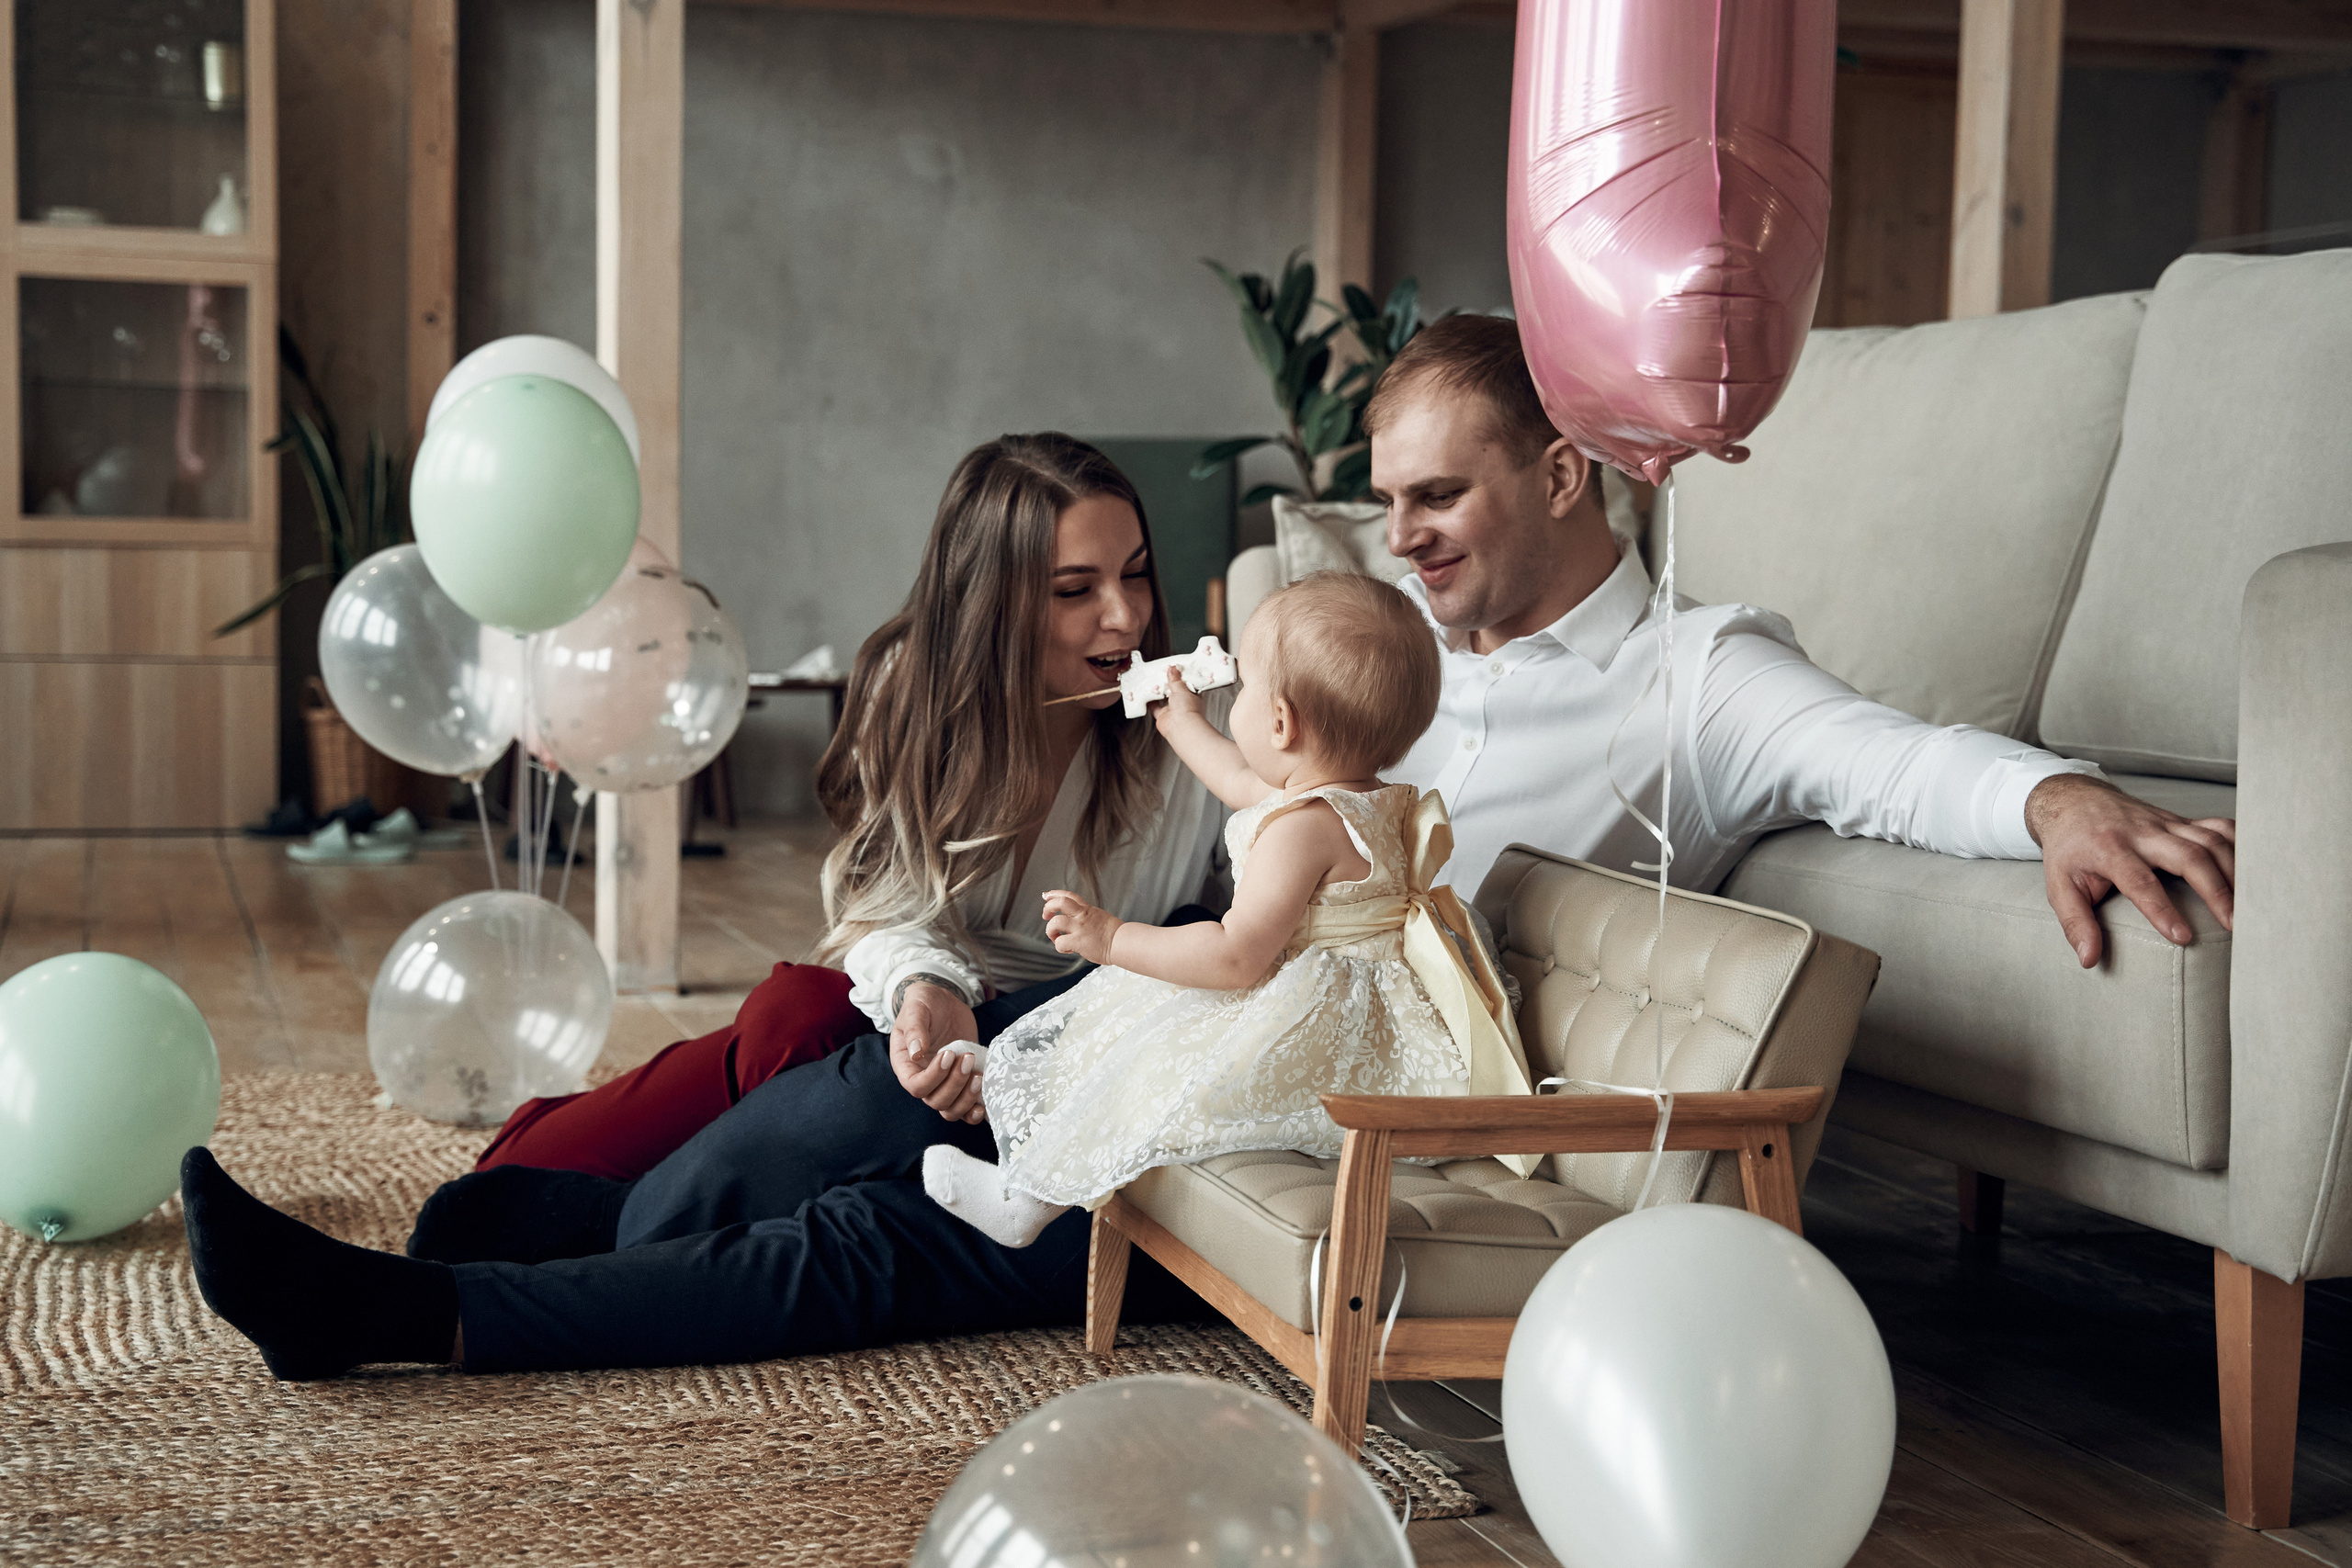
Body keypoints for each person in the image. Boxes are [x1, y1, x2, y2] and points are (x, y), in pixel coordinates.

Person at [179, 434, 1238, 1379]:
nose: (1126, 615)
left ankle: (545, 1257)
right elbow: (881, 904)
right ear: (994, 604)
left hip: (1092, 1048)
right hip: (952, 1031)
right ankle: (564, 1233)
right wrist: (927, 988)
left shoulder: (1202, 742)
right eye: (1076, 588)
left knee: (865, 1209)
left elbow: (1235, 928)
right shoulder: (920, 703)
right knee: (831, 1052)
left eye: (1137, 575)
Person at [1365, 315, 2237, 967]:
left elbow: (1897, 767)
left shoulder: (1701, 677)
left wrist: (2060, 803)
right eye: (1387, 501)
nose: (1401, 537)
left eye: (1436, 497)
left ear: (1560, 474)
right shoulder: (1383, 628)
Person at [923, 572, 1530, 1249]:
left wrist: (1112, 935)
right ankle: (1015, 1078)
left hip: (1315, 1026)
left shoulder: (1302, 831)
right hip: (1350, 1000)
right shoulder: (1360, 797)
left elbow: (1236, 957)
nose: (1230, 703)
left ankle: (1026, 1200)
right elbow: (1243, 782)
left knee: (1158, 1051)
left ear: (1280, 723)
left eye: (1242, 692)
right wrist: (1182, 721)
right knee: (1135, 1013)